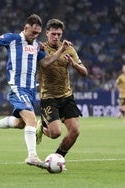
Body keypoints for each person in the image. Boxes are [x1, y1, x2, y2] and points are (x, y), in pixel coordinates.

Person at [0, 14, 71, 169]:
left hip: (31, 89)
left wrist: (61, 50)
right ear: (25, 28)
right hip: (16, 87)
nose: (34, 36)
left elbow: (46, 63)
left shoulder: (37, 45)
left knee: (21, 123)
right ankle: (32, 156)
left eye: (37, 33)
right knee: (32, 120)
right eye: (32, 32)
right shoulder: (12, 38)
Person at [36, 19, 88, 158]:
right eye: (53, 34)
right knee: (55, 133)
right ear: (47, 33)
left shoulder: (69, 49)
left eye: (59, 34)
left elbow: (84, 72)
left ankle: (58, 158)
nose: (56, 37)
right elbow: (45, 64)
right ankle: (41, 127)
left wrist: (74, 65)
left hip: (66, 95)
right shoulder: (41, 48)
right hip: (48, 96)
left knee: (75, 131)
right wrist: (61, 49)